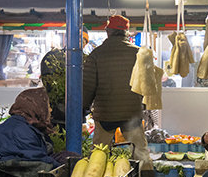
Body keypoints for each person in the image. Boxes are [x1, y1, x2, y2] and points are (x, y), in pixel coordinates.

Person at [82, 15, 150, 165]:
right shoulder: (139, 53)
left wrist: (83, 108)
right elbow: (147, 85)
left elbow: (88, 86)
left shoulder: (96, 54)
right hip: (131, 113)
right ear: (126, 32)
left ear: (108, 31)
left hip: (105, 113)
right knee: (140, 151)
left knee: (99, 153)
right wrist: (143, 107)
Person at [0, 87, 58, 177]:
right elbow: (36, 157)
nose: (50, 110)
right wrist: (61, 168)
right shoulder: (20, 130)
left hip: (8, 174)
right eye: (47, 107)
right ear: (36, 107)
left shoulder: (22, 125)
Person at [41, 30, 89, 131]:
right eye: (79, 39)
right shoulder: (53, 57)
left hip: (66, 114)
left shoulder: (87, 60)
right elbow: (49, 85)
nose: (81, 42)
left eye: (84, 40)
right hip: (58, 115)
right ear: (68, 40)